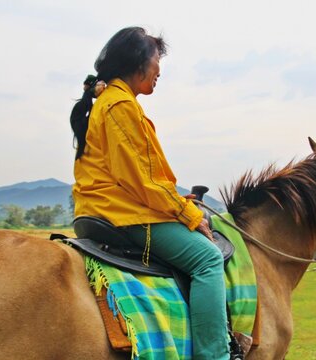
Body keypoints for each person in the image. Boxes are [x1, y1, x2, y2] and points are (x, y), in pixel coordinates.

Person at [70, 27, 230, 359]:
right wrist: (189, 214)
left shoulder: (112, 101)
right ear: (138, 63)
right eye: (157, 61)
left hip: (110, 207)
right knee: (208, 259)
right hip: (123, 213)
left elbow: (142, 178)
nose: (160, 70)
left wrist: (176, 201)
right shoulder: (120, 105)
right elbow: (142, 182)